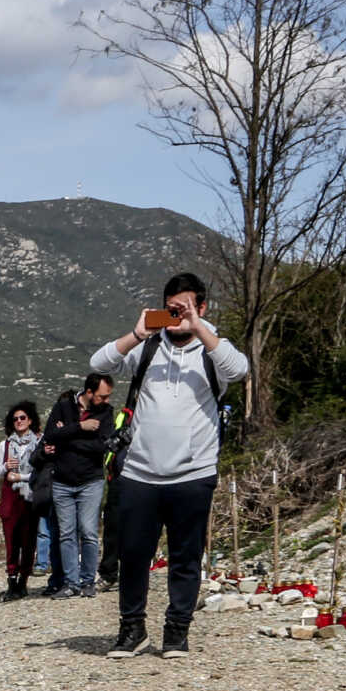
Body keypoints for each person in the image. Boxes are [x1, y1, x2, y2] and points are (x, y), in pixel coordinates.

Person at [91, 271, 249, 659]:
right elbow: (99, 362)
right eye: (172, 309)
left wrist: (198, 326)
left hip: (193, 474)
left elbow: (240, 370)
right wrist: (138, 333)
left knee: (185, 558)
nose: (177, 316)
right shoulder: (146, 349)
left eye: (185, 308)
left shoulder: (214, 351)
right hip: (140, 474)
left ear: (202, 306)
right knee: (132, 556)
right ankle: (132, 630)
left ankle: (176, 632)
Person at [42, 374, 114, 598]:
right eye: (102, 396)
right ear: (89, 392)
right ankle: (71, 582)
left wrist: (67, 437)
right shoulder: (63, 406)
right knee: (67, 534)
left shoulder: (106, 412)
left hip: (90, 481)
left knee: (89, 531)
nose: (106, 400)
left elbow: (102, 446)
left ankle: (87, 581)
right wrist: (80, 427)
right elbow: (50, 435)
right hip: (63, 482)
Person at [0, 402, 42, 601]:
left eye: (22, 418)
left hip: (30, 498)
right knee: (11, 542)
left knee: (28, 542)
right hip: (10, 499)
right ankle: (11, 582)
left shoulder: (39, 442)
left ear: (30, 420)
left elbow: (41, 473)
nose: (19, 421)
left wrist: (21, 477)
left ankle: (23, 582)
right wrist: (6, 466)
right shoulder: (4, 445)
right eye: (15, 419)